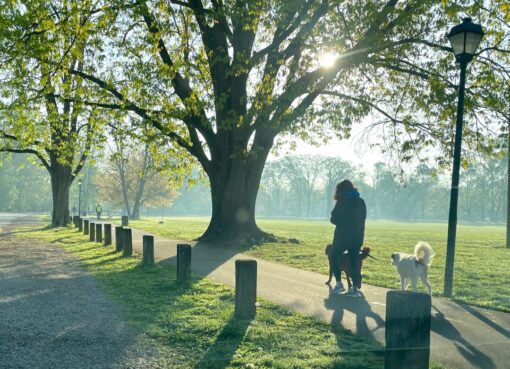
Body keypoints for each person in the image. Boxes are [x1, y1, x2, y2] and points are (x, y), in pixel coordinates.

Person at [329, 179, 366, 298]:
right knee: (354, 261)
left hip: (342, 237)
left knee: (333, 256)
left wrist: (342, 222)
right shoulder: (361, 201)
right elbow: (362, 220)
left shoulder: (342, 201)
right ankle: (355, 289)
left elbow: (333, 219)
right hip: (357, 237)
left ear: (341, 190)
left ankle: (339, 284)